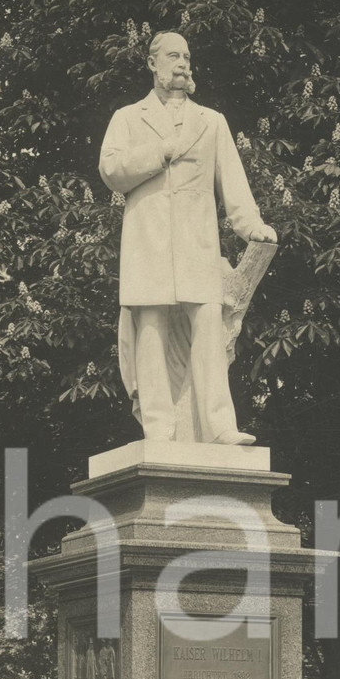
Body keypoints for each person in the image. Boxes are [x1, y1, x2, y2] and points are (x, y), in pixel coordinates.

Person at [99, 31, 276, 445]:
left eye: (187, 56)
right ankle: (159, 428)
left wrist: (251, 225)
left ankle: (219, 426)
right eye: (173, 56)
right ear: (152, 63)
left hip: (197, 243)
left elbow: (233, 184)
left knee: (209, 325)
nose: (181, 64)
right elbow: (111, 171)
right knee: (152, 328)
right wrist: (159, 152)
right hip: (148, 239)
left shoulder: (211, 121)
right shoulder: (128, 116)